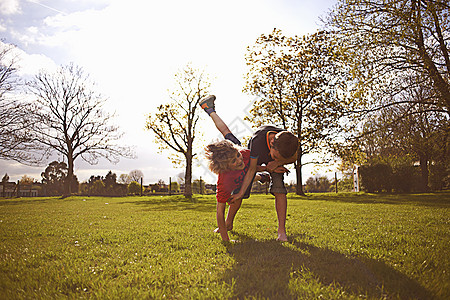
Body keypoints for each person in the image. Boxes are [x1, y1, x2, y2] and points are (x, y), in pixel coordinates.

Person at [200, 95, 269, 242]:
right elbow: (219, 212)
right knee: (237, 195)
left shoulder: (241, 152)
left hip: (235, 150)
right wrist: (226, 239)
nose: (239, 160)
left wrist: (268, 167)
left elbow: (251, 166)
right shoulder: (224, 182)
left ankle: (209, 109)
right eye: (234, 160)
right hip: (236, 176)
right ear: (225, 167)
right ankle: (260, 178)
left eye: (237, 156)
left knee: (226, 131)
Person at [229, 120, 298, 242]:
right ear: (272, 143)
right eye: (275, 156)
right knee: (242, 184)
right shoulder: (257, 142)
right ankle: (228, 223)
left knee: (279, 189)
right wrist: (240, 193)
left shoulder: (290, 142)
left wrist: (278, 162)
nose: (274, 158)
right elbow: (251, 170)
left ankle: (281, 232)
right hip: (257, 161)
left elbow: (294, 157)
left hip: (276, 165)